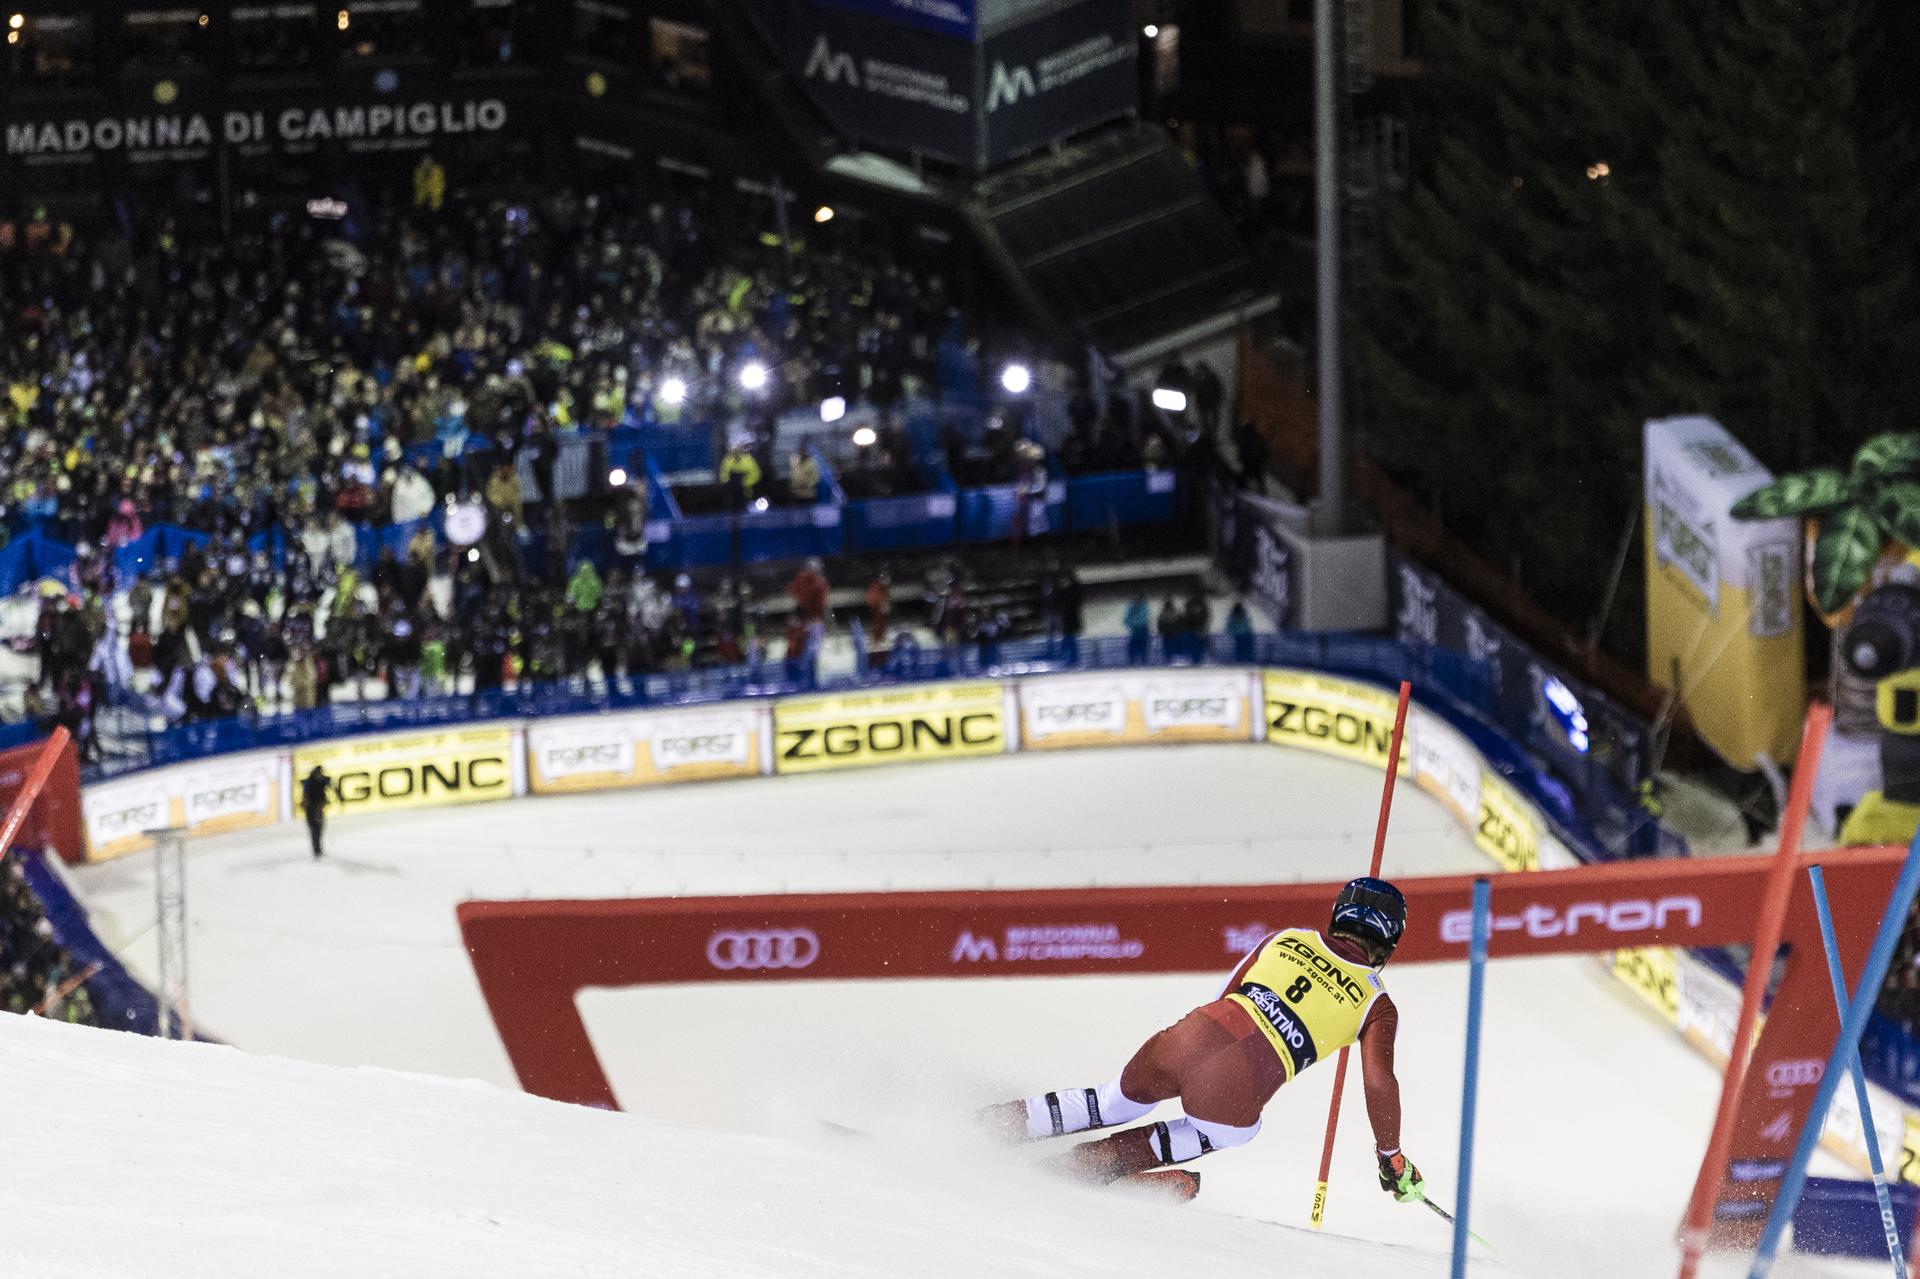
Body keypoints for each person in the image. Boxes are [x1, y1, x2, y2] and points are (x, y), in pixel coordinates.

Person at [985, 879, 1420, 1202]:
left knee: (1112, 1101)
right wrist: (1391, 1157)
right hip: (1234, 1088)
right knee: (1237, 1133)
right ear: (1390, 941)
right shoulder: (1377, 1005)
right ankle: (1103, 1160)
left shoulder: (1289, 937)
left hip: (1190, 1036)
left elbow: (1226, 994)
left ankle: (990, 1126)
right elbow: (1379, 1083)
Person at [300, 764, 338, 860]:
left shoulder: (323, 780)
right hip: (311, 808)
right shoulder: (309, 782)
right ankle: (316, 850)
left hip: (319, 807)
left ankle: (318, 849)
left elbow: (332, 786)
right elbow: (305, 795)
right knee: (314, 829)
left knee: (319, 828)